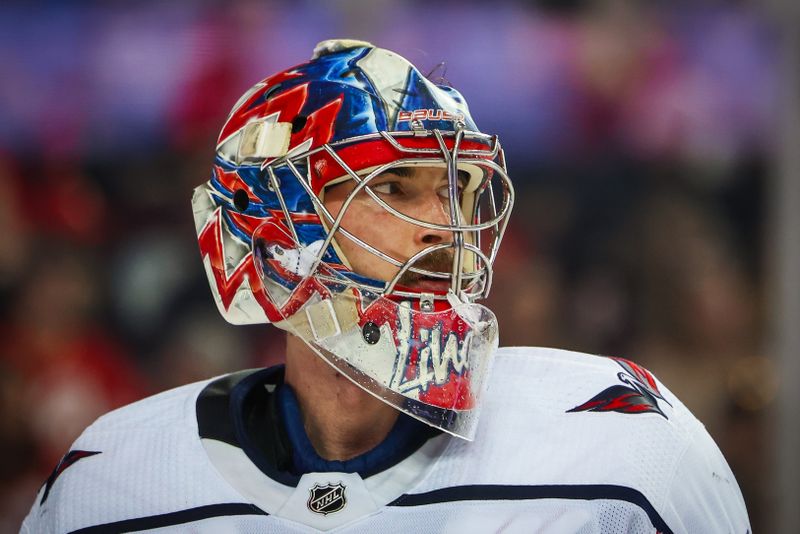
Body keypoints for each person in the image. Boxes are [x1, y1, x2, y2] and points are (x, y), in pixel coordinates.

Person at [22, 39, 750, 533]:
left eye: (456, 190)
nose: (446, 229)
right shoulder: (111, 479)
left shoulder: (622, 440)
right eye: (395, 187)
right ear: (276, 226)